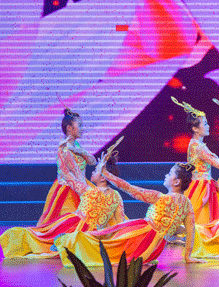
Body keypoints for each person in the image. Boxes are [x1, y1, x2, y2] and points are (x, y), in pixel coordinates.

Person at [57, 152, 202, 266]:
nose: (166, 175)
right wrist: (187, 256)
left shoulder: (161, 197)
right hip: (154, 249)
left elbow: (129, 188)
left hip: (141, 234)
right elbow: (191, 230)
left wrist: (106, 173)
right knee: (111, 242)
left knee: (107, 246)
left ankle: (70, 242)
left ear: (176, 182)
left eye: (169, 174)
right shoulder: (187, 204)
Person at [0, 153, 123, 258]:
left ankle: (61, 242)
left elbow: (68, 175)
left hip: (73, 226)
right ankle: (66, 242)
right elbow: (119, 221)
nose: (92, 172)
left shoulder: (89, 191)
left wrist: (61, 153)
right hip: (93, 234)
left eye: (95, 171)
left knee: (41, 237)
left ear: (103, 178)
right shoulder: (116, 196)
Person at [171, 97, 219, 224]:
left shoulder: (196, 144)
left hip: (204, 185)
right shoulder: (198, 148)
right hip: (200, 188)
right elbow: (218, 164)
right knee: (202, 222)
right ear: (195, 128)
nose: (208, 126)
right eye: (205, 124)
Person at [37, 107, 97, 228]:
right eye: (79, 125)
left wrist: (78, 150)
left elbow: (93, 161)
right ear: (69, 128)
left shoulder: (76, 145)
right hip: (68, 190)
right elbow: (69, 174)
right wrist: (84, 190)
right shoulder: (63, 148)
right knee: (70, 223)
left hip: (81, 185)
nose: (82, 129)